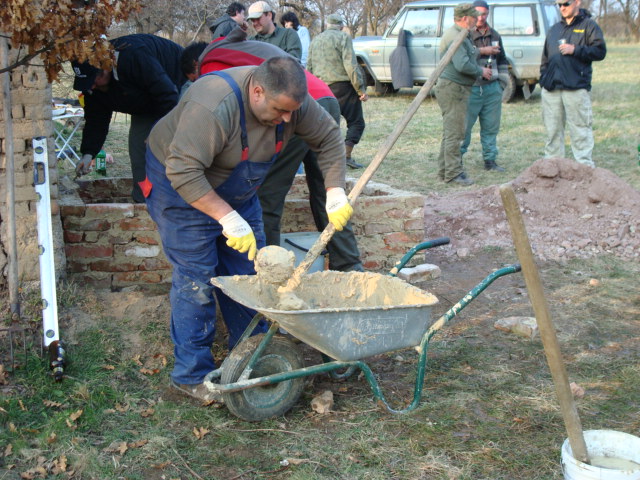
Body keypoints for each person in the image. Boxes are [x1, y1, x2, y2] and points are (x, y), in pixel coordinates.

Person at [142, 56, 353, 402]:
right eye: (280, 110)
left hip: (237, 188)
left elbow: (329, 138)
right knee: (198, 277)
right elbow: (183, 171)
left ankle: (253, 354)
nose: (287, 120)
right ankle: (191, 374)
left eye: (292, 112)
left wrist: (334, 190)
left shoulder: (292, 103)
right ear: (257, 91)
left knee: (250, 274)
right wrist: (226, 217)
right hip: (180, 184)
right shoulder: (213, 103)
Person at [199, 27, 364, 272]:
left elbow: (225, 112)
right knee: (328, 195)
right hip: (325, 98)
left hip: (294, 106)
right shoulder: (242, 48)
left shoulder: (210, 66)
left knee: (266, 195)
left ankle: (269, 271)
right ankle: (349, 266)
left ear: (193, 67)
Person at [71, 34, 185, 203]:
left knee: (175, 148)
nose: (92, 86)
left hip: (176, 86)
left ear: (106, 66)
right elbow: (96, 120)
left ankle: (185, 200)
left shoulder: (133, 57)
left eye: (94, 79)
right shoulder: (92, 86)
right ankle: (143, 203)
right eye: (87, 83)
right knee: (139, 148)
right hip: (145, 101)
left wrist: (160, 132)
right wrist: (89, 153)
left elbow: (167, 95)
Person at [540, 0, 606, 168]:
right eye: (559, 4)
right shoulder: (554, 29)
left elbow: (600, 51)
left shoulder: (589, 26)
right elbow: (545, 57)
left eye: (566, 3)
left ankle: (584, 167)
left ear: (577, 2)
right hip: (552, 88)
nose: (562, 7)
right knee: (552, 130)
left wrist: (575, 49)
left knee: (580, 129)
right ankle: (553, 167)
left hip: (576, 87)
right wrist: (544, 79)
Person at [434, 4, 492, 186]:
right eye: (474, 17)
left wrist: (480, 52)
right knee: (455, 133)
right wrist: (480, 71)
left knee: (451, 131)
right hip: (453, 89)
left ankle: (445, 170)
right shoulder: (456, 36)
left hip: (454, 88)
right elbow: (462, 65)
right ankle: (453, 173)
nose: (478, 20)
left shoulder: (459, 33)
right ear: (466, 18)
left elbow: (469, 53)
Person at [307, 14, 369, 170]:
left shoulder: (316, 40)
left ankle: (327, 160)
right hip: (343, 87)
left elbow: (309, 68)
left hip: (321, 89)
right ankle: (346, 156)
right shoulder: (343, 37)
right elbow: (351, 65)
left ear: (327, 25)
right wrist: (360, 89)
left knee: (327, 126)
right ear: (341, 26)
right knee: (356, 123)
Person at [460, 0, 508, 173]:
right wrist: (482, 51)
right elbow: (462, 59)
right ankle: (456, 162)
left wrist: (502, 83)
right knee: (464, 128)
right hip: (471, 88)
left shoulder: (495, 35)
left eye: (485, 13)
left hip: (492, 89)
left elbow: (503, 61)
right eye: (478, 13)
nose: (481, 17)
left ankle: (490, 160)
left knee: (491, 127)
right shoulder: (465, 34)